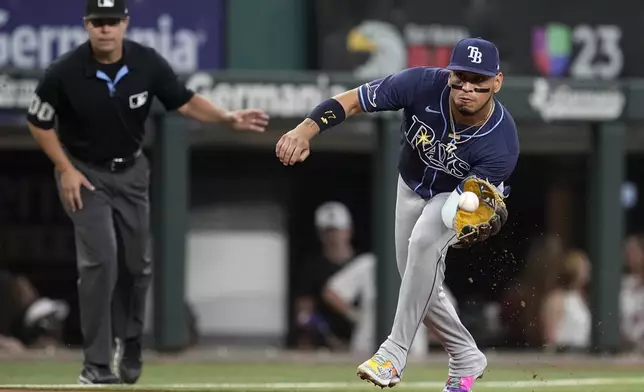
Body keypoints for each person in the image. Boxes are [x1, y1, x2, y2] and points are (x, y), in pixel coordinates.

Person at [26, 0, 269, 385]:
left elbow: (184, 101)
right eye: (97, 22)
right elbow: (38, 122)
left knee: (138, 265)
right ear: (86, 25)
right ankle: (96, 363)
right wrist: (65, 168)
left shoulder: (146, 62)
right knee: (100, 261)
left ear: (125, 23)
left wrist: (225, 118)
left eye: (112, 21)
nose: (105, 29)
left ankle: (132, 339)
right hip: (85, 173)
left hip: (132, 172)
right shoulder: (65, 71)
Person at [276, 37, 519, 392]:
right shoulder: (421, 84)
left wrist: (469, 221)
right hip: (410, 184)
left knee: (424, 242)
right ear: (448, 73)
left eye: (478, 81)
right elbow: (353, 100)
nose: (467, 88)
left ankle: (393, 352)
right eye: (460, 78)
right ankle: (465, 353)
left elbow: (465, 205)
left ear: (496, 82)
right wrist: (305, 129)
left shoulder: (502, 142)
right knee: (417, 278)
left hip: (458, 195)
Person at [293, 201, 360, 351]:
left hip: (363, 341)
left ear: (348, 230)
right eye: (328, 231)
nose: (333, 236)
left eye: (337, 230)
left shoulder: (363, 264)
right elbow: (303, 315)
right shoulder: (312, 268)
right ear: (320, 234)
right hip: (326, 345)